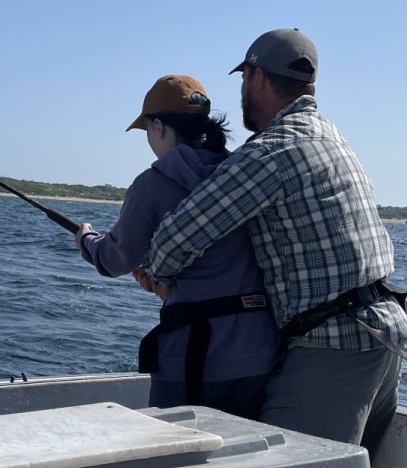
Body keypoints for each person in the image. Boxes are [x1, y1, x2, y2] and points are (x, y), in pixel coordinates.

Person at [140, 30, 407, 452]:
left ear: (258, 78)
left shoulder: (273, 150)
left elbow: (171, 243)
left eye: (243, 79)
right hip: (385, 340)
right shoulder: (331, 136)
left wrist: (154, 273)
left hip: (332, 346)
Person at [74, 75, 280, 418]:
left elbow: (114, 259)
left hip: (193, 356)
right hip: (261, 349)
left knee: (182, 448)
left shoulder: (151, 184)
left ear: (158, 126)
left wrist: (86, 239)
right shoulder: (240, 174)